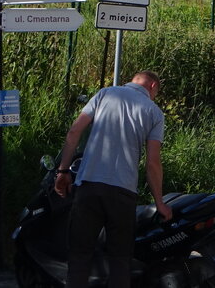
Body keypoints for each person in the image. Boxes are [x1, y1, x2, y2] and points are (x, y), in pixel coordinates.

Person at [53, 70, 172, 288]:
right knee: (119, 260)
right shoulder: (154, 112)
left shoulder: (104, 94)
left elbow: (74, 132)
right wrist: (159, 203)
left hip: (88, 186)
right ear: (153, 86)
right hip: (122, 193)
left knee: (79, 256)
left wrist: (62, 172)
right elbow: (153, 162)